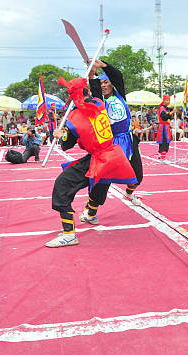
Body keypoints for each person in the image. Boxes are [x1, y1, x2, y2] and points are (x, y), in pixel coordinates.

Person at [46, 77, 137, 248]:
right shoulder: (98, 103)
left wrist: (61, 134)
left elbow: (67, 145)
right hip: (111, 153)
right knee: (98, 186)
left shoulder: (77, 116)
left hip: (101, 158)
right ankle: (90, 214)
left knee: (62, 185)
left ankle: (69, 234)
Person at [87, 58, 143, 207]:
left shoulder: (120, 95)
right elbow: (94, 87)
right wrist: (92, 74)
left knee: (138, 175)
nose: (103, 85)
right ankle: (91, 210)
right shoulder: (99, 101)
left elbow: (117, 75)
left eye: (106, 82)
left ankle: (129, 193)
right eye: (101, 83)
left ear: (111, 83)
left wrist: (103, 65)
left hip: (128, 140)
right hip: (110, 143)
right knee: (104, 180)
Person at [156, 95, 173, 160]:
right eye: (167, 100)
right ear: (163, 101)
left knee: (164, 142)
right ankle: (163, 157)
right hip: (163, 128)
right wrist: (171, 113)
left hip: (165, 127)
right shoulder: (162, 108)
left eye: (169, 100)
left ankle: (161, 156)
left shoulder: (165, 108)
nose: (168, 102)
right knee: (164, 142)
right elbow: (164, 117)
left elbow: (168, 117)